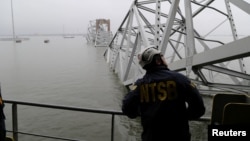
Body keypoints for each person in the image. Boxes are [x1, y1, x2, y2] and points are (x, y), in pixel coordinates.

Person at [122, 46, 205, 141]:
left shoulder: (140, 85)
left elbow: (127, 108)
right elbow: (199, 108)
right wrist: (185, 116)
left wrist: (142, 113)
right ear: (158, 61)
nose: (164, 58)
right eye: (162, 56)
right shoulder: (180, 79)